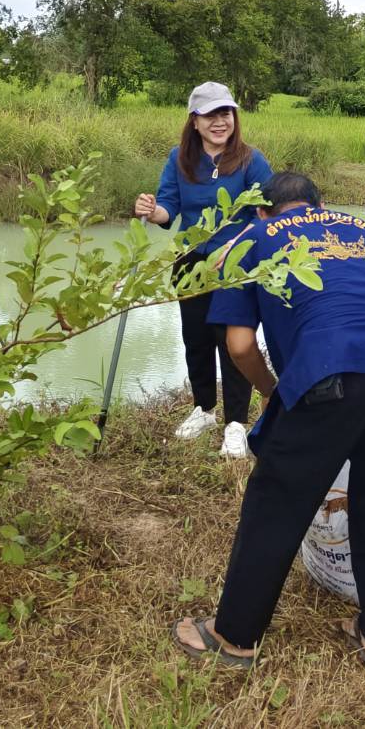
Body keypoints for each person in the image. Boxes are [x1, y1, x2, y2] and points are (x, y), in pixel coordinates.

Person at [171, 172, 365, 674]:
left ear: (263, 211)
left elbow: (241, 346)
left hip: (332, 376)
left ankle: (234, 637)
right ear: (318, 204)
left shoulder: (252, 239)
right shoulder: (360, 229)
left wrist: (272, 393)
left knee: (275, 503)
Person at [134, 81, 272, 455]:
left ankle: (236, 424)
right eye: (210, 114)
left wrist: (236, 243)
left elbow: (266, 213)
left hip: (235, 265)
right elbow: (168, 209)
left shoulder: (251, 160)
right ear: (194, 121)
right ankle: (204, 408)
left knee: (233, 344)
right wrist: (151, 210)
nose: (219, 121)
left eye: (225, 112)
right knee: (195, 339)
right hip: (190, 262)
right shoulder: (179, 158)